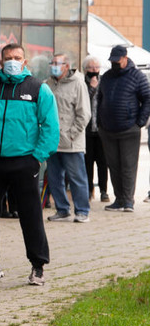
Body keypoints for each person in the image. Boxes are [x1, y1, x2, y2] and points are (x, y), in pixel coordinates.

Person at [0, 43, 59, 286]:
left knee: (31, 216)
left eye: (17, 57)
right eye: (8, 57)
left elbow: (50, 127)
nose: (12, 61)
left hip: (24, 163)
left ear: (24, 62)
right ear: (0, 61)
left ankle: (38, 266)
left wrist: (37, 157)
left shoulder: (39, 89)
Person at [96, 45, 150, 212]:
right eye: (112, 61)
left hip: (129, 129)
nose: (114, 64)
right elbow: (99, 99)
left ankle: (128, 201)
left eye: (117, 61)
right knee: (114, 165)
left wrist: (139, 122)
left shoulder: (137, 76)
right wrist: (100, 122)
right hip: (108, 129)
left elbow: (147, 98)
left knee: (127, 165)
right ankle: (119, 199)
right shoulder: (106, 77)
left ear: (125, 58)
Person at [44, 53, 91, 223]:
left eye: (58, 63)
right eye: (52, 63)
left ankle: (82, 211)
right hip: (52, 141)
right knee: (55, 178)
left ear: (66, 65)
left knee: (77, 178)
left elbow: (84, 114)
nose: (54, 66)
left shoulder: (77, 83)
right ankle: (62, 209)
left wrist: (71, 135)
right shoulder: (47, 84)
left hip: (72, 142)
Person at [82, 55, 109, 202]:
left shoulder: (104, 82)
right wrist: (92, 88)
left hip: (101, 129)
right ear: (85, 69)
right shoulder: (82, 84)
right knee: (88, 162)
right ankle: (89, 190)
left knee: (102, 162)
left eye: (96, 67)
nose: (94, 70)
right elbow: (83, 101)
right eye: (91, 68)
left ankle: (104, 191)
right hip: (86, 130)